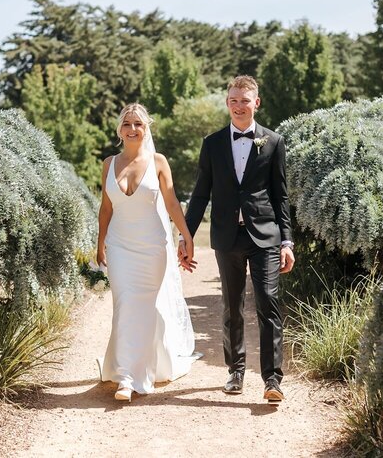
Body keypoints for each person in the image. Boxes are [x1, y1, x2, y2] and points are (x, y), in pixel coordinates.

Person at [179, 75, 295, 403]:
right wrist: (186, 236)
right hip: (226, 236)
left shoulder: (273, 141)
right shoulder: (212, 143)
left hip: (265, 236)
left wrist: (287, 242)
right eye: (233, 100)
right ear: (227, 102)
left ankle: (272, 379)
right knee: (232, 306)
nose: (238, 106)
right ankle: (236, 371)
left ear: (256, 103)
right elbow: (200, 194)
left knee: (268, 302)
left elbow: (281, 195)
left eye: (245, 100)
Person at [96, 103, 200, 402]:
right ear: (119, 129)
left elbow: (172, 203)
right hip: (119, 246)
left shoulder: (158, 162)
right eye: (127, 124)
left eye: (138, 124)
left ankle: (132, 375)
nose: (132, 129)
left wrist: (186, 236)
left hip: (152, 247)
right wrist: (100, 243)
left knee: (141, 307)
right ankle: (126, 377)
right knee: (124, 305)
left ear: (146, 128)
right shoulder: (108, 164)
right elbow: (105, 208)